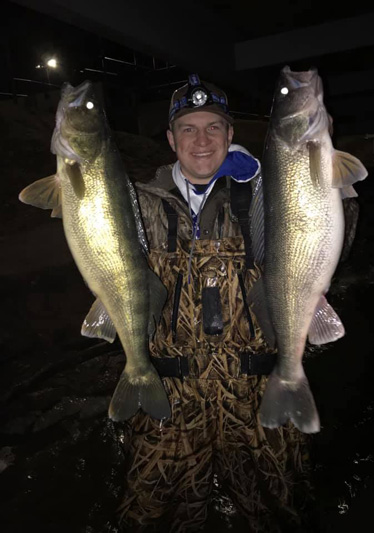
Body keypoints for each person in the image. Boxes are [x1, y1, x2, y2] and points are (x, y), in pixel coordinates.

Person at [117, 74, 310, 532]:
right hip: (170, 398)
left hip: (259, 395)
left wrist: (310, 181)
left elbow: (325, 251)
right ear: (170, 139)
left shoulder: (265, 196)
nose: (200, 140)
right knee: (150, 517)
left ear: (230, 135)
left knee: (281, 513)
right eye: (187, 128)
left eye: (213, 128)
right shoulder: (139, 204)